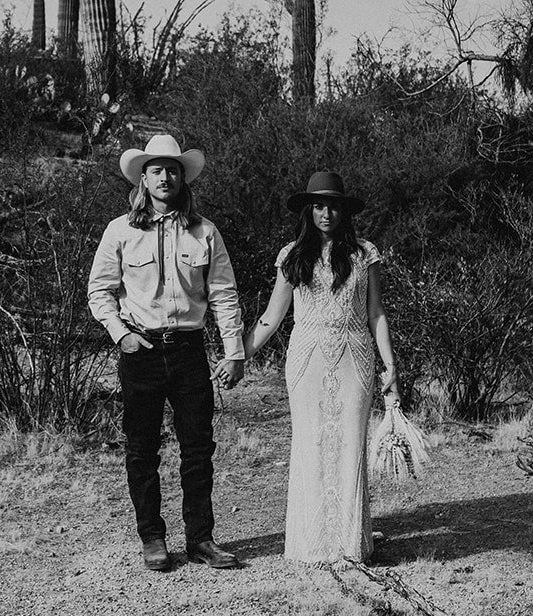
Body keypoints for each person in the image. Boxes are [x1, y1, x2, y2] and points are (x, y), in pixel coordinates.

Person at [87, 134, 246, 572]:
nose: (165, 177)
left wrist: (233, 351)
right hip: (141, 350)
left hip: (189, 351)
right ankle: (153, 538)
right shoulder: (120, 231)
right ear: (143, 178)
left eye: (172, 170)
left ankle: (201, 539)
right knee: (142, 448)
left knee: (198, 447)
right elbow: (99, 291)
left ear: (182, 177)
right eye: (156, 169)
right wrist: (122, 335)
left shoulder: (204, 231)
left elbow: (224, 293)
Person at [241, 170, 398, 564]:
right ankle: (310, 543)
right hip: (307, 356)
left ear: (344, 211)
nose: (326, 213)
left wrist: (390, 365)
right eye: (318, 206)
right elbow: (271, 317)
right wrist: (238, 356)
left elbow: (375, 312)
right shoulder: (292, 255)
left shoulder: (364, 254)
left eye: (333, 206)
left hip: (354, 354)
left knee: (349, 443)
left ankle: (349, 544)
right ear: (308, 211)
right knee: (310, 443)